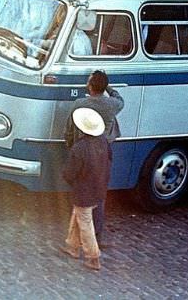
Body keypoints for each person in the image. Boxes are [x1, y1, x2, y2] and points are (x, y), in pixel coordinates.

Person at [63, 70, 123, 248]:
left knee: (81, 194)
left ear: (89, 86)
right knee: (99, 195)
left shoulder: (80, 103)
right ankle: (95, 236)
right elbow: (120, 99)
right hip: (103, 149)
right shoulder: (112, 105)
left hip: (83, 149)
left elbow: (69, 130)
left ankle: (83, 245)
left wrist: (72, 148)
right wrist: (107, 86)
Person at [60, 107, 111, 271]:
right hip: (99, 187)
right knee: (79, 215)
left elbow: (70, 172)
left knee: (85, 221)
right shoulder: (104, 141)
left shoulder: (79, 147)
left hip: (83, 190)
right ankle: (72, 246)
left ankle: (93, 257)